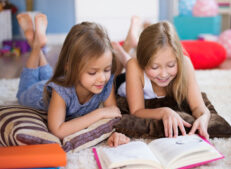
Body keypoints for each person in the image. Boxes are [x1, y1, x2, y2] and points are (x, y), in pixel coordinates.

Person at [16, 12, 130, 147]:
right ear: (71, 68)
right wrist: (99, 113)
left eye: (106, 69)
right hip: (35, 92)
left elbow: (113, 114)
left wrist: (115, 133)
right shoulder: (61, 91)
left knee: (48, 75)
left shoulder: (106, 82)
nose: (102, 78)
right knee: (27, 84)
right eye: (92, 72)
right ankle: (36, 47)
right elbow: (57, 130)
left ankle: (37, 42)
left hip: (54, 80)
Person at [115, 21, 211, 139]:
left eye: (171, 65)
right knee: (121, 67)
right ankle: (122, 47)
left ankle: (135, 38)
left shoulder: (184, 62)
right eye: (155, 67)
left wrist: (204, 116)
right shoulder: (135, 66)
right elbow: (136, 111)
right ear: (143, 63)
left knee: (130, 62)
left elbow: (198, 106)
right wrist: (164, 111)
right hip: (126, 81)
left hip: (140, 69)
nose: (164, 74)